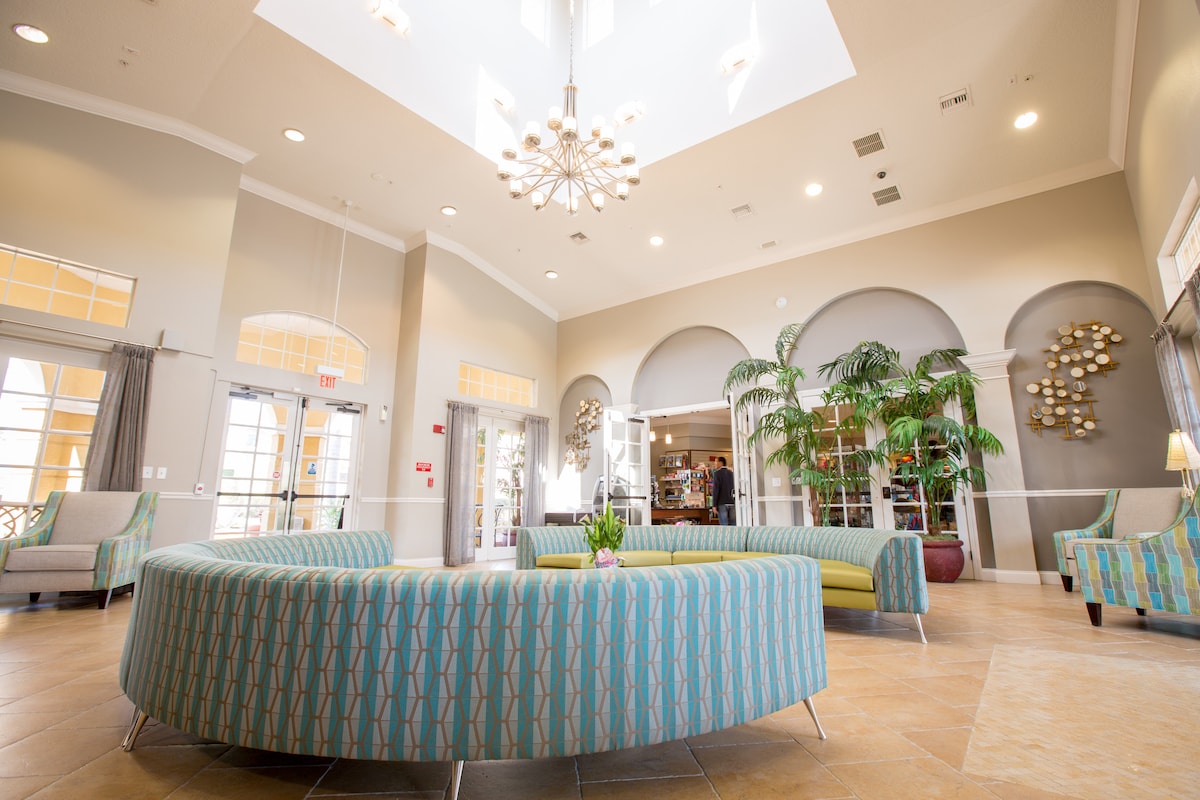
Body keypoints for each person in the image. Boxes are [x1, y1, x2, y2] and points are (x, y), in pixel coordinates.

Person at [712, 456, 735, 525]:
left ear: (721, 463)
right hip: (732, 502)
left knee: (724, 526)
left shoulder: (717, 474)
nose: (715, 463)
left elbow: (716, 490)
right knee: (733, 524)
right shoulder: (731, 473)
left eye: (716, 461)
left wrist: (714, 505)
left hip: (722, 503)